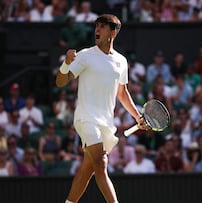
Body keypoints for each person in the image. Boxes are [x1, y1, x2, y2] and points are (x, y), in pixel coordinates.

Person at [55, 14, 147, 203]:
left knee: (88, 169)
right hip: (85, 119)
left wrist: (138, 117)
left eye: (102, 27)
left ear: (113, 32)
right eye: (96, 26)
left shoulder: (121, 61)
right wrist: (66, 64)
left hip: (105, 123)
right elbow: (60, 82)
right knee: (101, 161)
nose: (97, 30)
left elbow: (122, 93)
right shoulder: (85, 55)